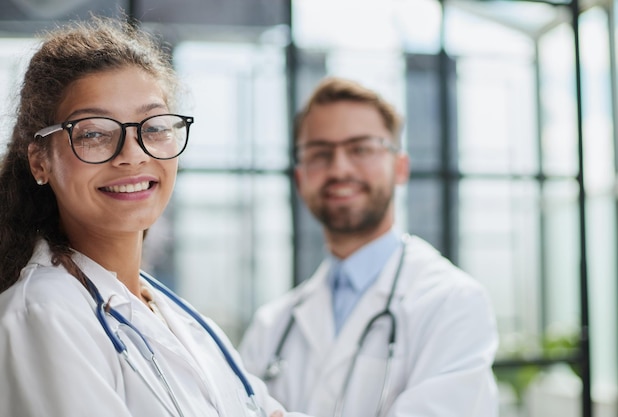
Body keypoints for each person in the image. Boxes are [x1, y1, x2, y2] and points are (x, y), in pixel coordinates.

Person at [0, 16, 306, 417]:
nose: (133, 153)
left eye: (155, 126)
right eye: (94, 133)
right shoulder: (44, 311)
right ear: (40, 160)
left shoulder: (177, 317)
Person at [238, 77, 500, 417]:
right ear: (301, 178)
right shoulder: (272, 325)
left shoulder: (453, 303)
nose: (340, 168)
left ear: (400, 167)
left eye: (361, 149)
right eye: (320, 153)